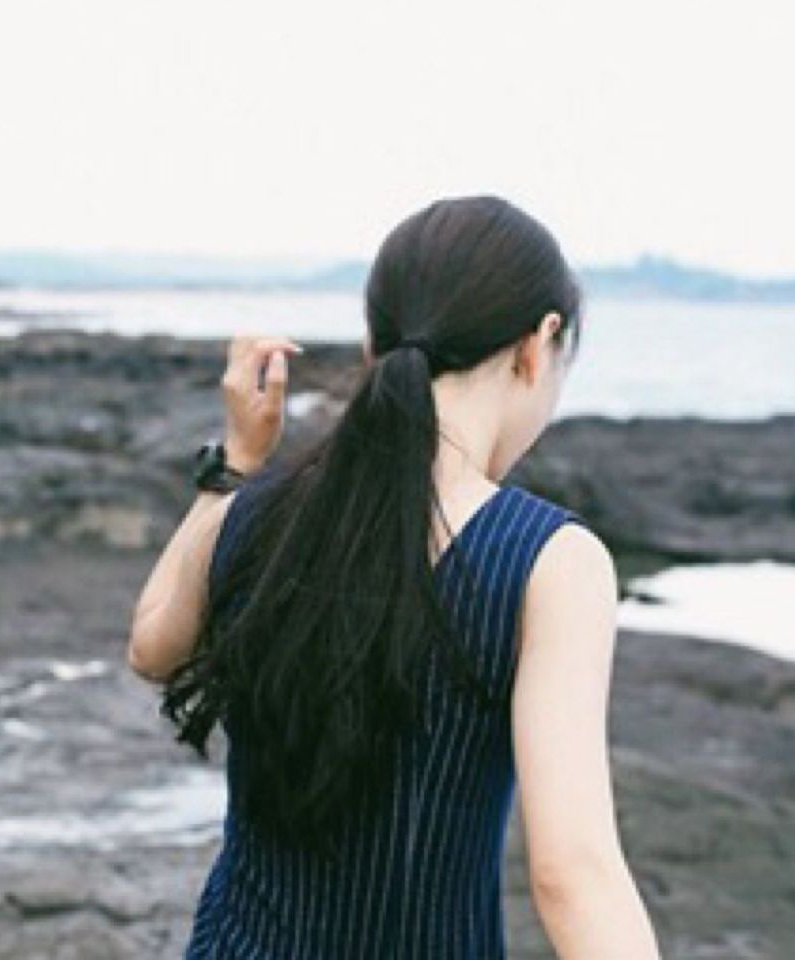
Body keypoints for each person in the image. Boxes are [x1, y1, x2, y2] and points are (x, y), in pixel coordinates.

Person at [128, 194, 662, 959]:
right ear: (537, 345)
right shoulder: (549, 560)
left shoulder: (255, 514)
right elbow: (573, 877)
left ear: (372, 344)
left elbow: (152, 648)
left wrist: (236, 465)